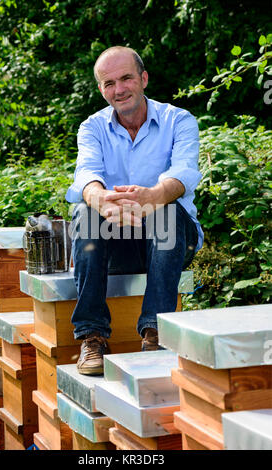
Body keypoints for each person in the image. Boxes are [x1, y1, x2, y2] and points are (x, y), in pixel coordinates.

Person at [65, 46, 203, 375]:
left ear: (143, 78)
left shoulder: (179, 120)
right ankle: (92, 336)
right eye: (109, 83)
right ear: (101, 89)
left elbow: (184, 173)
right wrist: (98, 198)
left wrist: (152, 197)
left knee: (165, 211)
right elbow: (86, 172)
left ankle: (155, 335)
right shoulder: (92, 127)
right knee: (85, 213)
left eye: (126, 78)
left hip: (171, 241)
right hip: (115, 246)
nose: (119, 89)